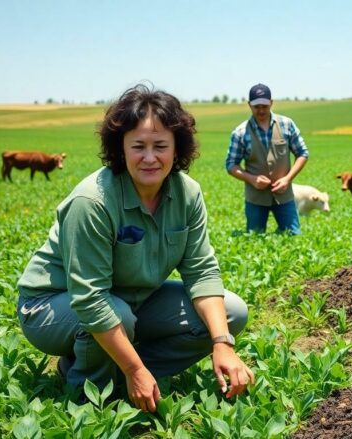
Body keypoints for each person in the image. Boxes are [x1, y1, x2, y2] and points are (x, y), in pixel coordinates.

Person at [16, 85, 255, 413]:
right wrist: (133, 369)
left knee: (232, 313)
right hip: (52, 305)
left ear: (177, 149)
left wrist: (222, 343)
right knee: (116, 314)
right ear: (121, 148)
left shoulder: (187, 194)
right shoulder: (93, 201)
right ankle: (88, 392)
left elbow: (201, 270)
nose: (150, 157)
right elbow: (89, 298)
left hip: (131, 299)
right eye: (138, 146)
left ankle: (132, 372)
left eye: (160, 146)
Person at [225, 83, 309, 234]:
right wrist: (252, 179)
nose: (261, 110)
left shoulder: (286, 124)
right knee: (255, 239)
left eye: (264, 105)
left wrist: (287, 179)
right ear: (249, 105)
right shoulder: (240, 132)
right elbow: (231, 165)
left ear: (271, 102)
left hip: (285, 196)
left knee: (294, 236)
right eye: (256, 106)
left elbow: (302, 153)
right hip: (255, 198)